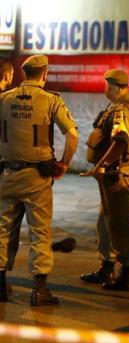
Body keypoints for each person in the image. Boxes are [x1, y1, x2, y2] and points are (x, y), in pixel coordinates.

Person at [0, 54, 78, 305]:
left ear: (23, 75)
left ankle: (0, 287)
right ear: (44, 74)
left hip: (7, 175)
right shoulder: (51, 100)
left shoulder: (3, 99)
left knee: (2, 230)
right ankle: (39, 290)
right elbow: (72, 135)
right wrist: (64, 163)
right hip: (37, 178)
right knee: (40, 232)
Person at [80, 69, 129, 291]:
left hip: (119, 175)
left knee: (120, 224)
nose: (105, 89)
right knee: (105, 222)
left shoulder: (124, 109)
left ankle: (127, 273)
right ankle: (107, 266)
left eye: (107, 85)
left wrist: (103, 164)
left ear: (115, 87)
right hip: (113, 175)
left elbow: (121, 139)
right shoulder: (118, 106)